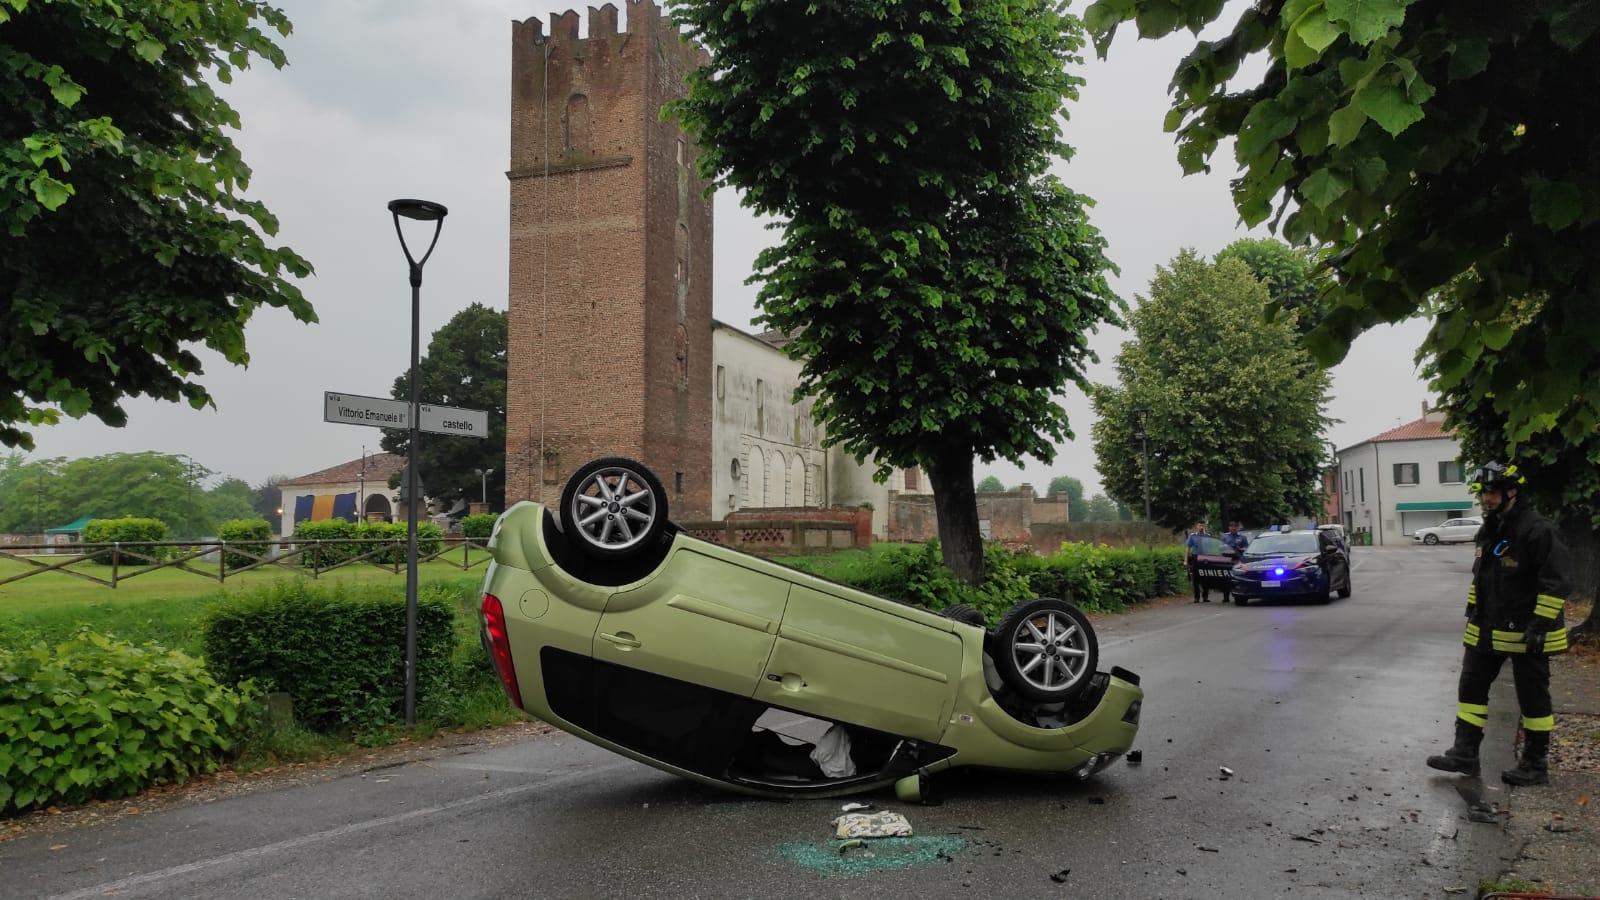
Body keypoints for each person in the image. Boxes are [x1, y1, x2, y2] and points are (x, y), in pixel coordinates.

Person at [1426, 462, 1572, 786]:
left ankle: (1535, 764)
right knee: (1470, 687)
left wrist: (1539, 625)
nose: (1486, 499)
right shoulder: (1490, 528)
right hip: (1488, 628)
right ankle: (1465, 752)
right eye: (1483, 492)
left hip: (1526, 632)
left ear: (1512, 492)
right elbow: (1483, 576)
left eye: (1492, 492)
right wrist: (1473, 610)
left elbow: (1557, 582)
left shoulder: (1538, 530)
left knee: (1533, 699)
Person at [1185, 521, 1212, 603]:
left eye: (1203, 526)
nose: (1201, 527)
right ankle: (1196, 597)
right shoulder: (1193, 536)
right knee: (1195, 579)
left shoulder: (1208, 536)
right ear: (1197, 526)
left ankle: (1205, 597)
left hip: (1205, 558)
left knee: (1206, 578)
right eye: (1200, 525)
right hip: (1195, 558)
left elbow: (1211, 548)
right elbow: (1188, 548)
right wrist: (1185, 560)